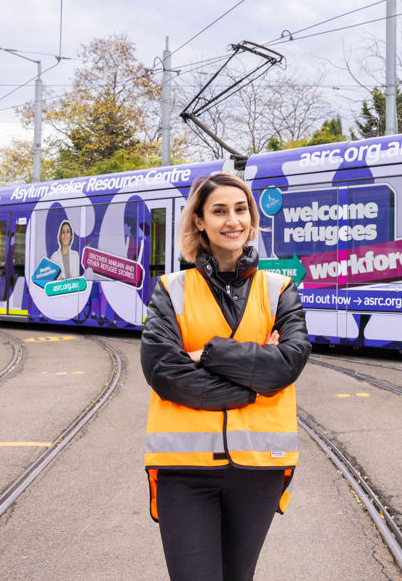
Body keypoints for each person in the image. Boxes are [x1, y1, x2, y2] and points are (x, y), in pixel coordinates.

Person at [140, 172, 311, 581]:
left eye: (241, 210)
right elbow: (165, 372)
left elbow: (288, 364)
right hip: (184, 471)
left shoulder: (280, 288)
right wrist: (252, 388)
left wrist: (209, 352)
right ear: (199, 221)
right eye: (219, 211)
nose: (232, 220)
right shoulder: (170, 289)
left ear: (251, 219)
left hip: (258, 470)